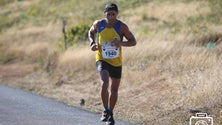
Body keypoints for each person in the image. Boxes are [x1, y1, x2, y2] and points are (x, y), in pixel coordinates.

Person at [88, 2, 136, 125]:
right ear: (105, 14)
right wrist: (92, 43)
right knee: (105, 82)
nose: (110, 17)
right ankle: (105, 110)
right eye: (108, 14)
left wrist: (121, 44)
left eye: (113, 14)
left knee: (114, 89)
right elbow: (91, 32)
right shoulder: (99, 24)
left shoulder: (122, 27)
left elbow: (133, 41)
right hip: (102, 58)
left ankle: (110, 113)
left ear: (117, 14)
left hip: (116, 61)